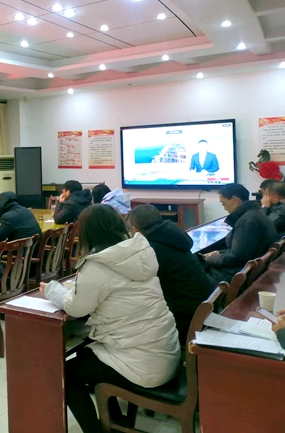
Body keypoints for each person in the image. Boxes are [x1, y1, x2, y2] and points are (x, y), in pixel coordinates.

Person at [40, 205, 180, 433]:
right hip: (165, 352)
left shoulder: (98, 264)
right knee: (86, 355)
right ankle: (115, 420)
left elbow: (76, 308)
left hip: (142, 364)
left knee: (64, 373)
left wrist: (51, 290)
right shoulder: (139, 251)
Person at [129, 204, 214, 343]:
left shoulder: (151, 249)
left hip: (187, 318)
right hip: (203, 307)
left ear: (134, 229)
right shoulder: (171, 235)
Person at [201, 183, 277, 285]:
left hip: (231, 277)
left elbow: (236, 258)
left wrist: (212, 259)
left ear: (235, 200)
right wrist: (219, 253)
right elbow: (242, 250)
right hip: (244, 272)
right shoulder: (256, 214)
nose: (225, 208)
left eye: (223, 204)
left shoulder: (247, 221)